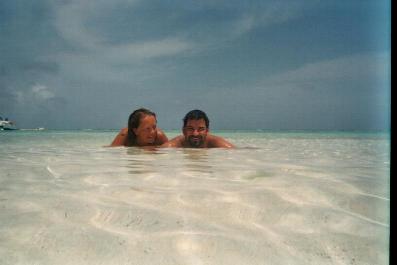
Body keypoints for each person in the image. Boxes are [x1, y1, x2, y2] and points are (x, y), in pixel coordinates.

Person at [161, 109, 234, 148]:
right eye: (190, 129)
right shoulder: (174, 145)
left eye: (201, 129)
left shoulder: (215, 143)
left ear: (207, 131)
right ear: (184, 131)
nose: (195, 133)